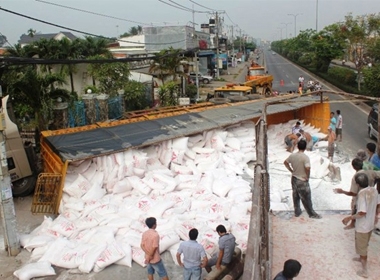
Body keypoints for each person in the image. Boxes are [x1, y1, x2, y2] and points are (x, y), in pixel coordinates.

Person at [342, 173, 380, 278]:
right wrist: (376, 215)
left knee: (362, 247)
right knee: (364, 244)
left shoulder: (362, 194)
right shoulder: (374, 190)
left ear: (358, 184)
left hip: (363, 226)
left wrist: (349, 218)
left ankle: (365, 271)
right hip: (370, 224)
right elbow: (378, 204)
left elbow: (362, 212)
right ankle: (361, 258)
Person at [283, 140, 321, 219]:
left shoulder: (292, 156)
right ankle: (311, 214)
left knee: (295, 195)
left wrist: (291, 170)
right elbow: (308, 168)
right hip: (302, 180)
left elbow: (285, 162)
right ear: (305, 147)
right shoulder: (305, 157)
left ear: (297, 146)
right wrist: (307, 176)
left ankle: (297, 211)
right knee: (306, 198)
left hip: (294, 178)